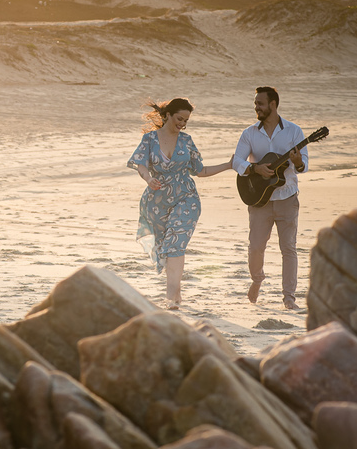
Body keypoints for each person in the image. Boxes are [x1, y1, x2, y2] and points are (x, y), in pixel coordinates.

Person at [128, 97, 233, 308]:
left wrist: (229, 165)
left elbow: (200, 171)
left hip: (186, 198)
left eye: (186, 120)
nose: (182, 124)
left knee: (176, 242)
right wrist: (149, 179)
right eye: (179, 118)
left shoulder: (187, 141)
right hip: (157, 202)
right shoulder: (149, 139)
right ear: (167, 115)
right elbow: (140, 164)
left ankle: (170, 298)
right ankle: (176, 295)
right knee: (167, 248)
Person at [232, 86, 307, 310]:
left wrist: (297, 162)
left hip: (287, 197)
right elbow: (236, 161)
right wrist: (255, 169)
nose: (256, 107)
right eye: (256, 103)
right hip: (258, 199)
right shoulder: (249, 133)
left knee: (289, 248)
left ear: (273, 105)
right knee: (256, 247)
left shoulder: (294, 131)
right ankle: (257, 279)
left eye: (260, 104)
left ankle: (289, 298)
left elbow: (303, 166)